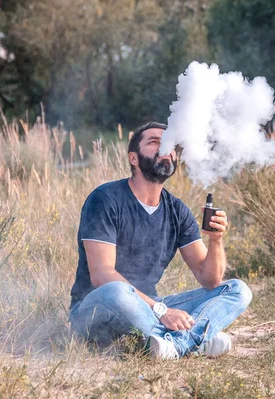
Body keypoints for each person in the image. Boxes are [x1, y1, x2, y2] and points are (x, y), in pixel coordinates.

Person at [68, 121, 252, 359]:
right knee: (118, 291)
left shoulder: (178, 211)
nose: (165, 148)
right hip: (96, 307)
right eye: (155, 142)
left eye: (170, 144)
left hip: (149, 307)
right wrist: (161, 311)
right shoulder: (105, 199)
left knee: (238, 290)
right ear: (133, 158)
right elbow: (101, 275)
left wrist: (216, 241)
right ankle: (196, 339)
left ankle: (175, 343)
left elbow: (209, 279)